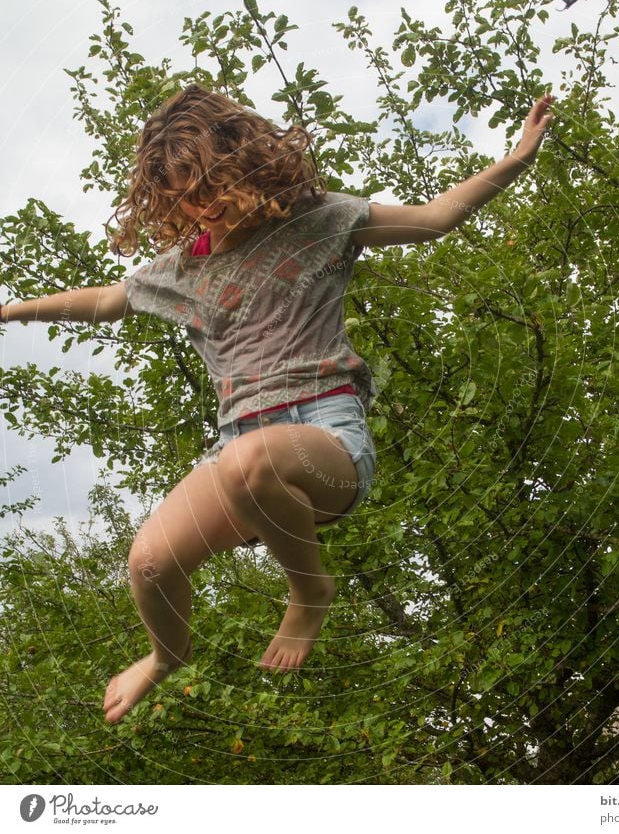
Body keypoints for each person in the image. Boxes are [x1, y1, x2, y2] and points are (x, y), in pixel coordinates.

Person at [0, 84, 554, 724]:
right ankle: (165, 659)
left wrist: (514, 160)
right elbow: (104, 301)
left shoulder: (319, 220)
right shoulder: (181, 268)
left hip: (325, 439)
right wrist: (13, 309)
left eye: (205, 186)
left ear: (239, 165)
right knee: (149, 564)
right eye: (182, 197)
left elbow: (433, 219)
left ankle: (309, 590)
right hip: (239, 448)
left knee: (250, 462)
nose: (198, 206)